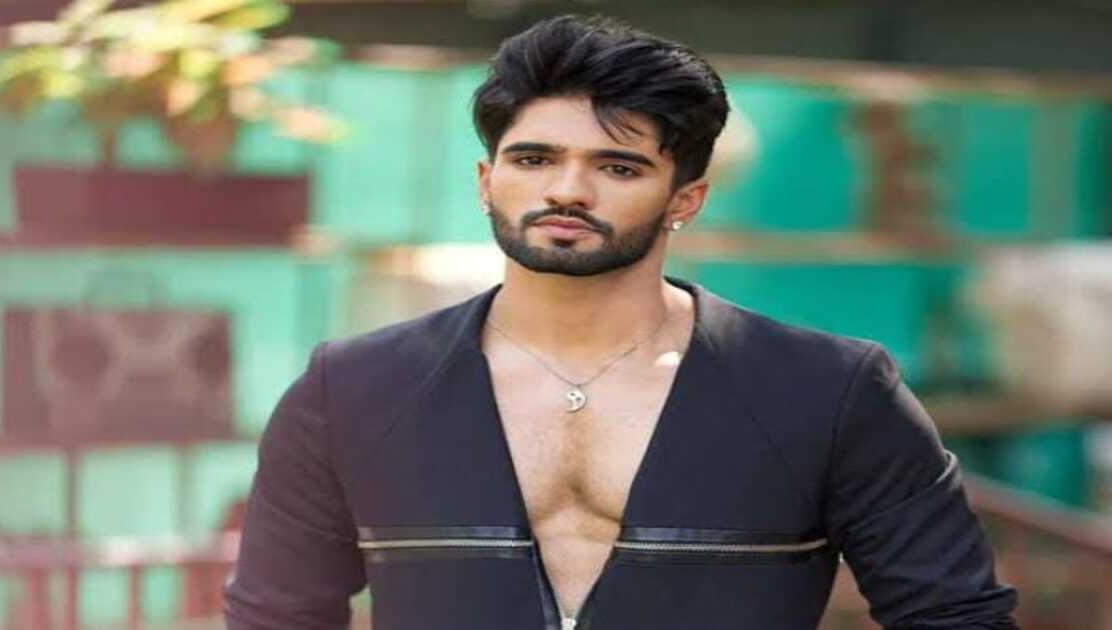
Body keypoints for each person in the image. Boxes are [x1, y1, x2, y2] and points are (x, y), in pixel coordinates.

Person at [224, 15, 1018, 630]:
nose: (567, 191)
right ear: (486, 180)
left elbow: (955, 616)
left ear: (685, 198)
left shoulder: (830, 390)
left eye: (618, 166)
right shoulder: (353, 388)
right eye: (534, 159)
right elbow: (277, 618)